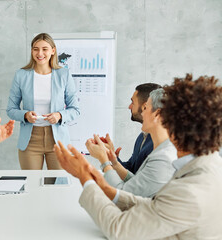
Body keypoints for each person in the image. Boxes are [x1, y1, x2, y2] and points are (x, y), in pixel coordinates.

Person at [54, 74, 222, 239]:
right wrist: (102, 185)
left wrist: (84, 178)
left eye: (145, 108)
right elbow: (157, 205)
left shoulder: (188, 191)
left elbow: (118, 228)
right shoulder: (208, 164)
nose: (142, 112)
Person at [6, 33, 80, 170]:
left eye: (44, 49)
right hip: (30, 140)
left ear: (53, 51)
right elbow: (11, 109)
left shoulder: (64, 74)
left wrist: (59, 115)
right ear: (32, 51)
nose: (40, 53)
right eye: (35, 49)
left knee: (58, 186)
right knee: (32, 186)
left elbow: (75, 109)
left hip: (57, 141)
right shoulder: (21, 75)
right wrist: (25, 115)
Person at [86, 88, 177, 197]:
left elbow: (123, 196)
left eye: (145, 108)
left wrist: (104, 160)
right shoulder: (149, 142)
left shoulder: (163, 158)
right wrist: (113, 161)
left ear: (157, 114)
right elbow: (136, 181)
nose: (142, 113)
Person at [113, 83, 162, 174]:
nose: (129, 107)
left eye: (133, 102)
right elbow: (131, 169)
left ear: (145, 106)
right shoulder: (142, 137)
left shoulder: (158, 142)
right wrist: (112, 158)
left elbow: (136, 181)